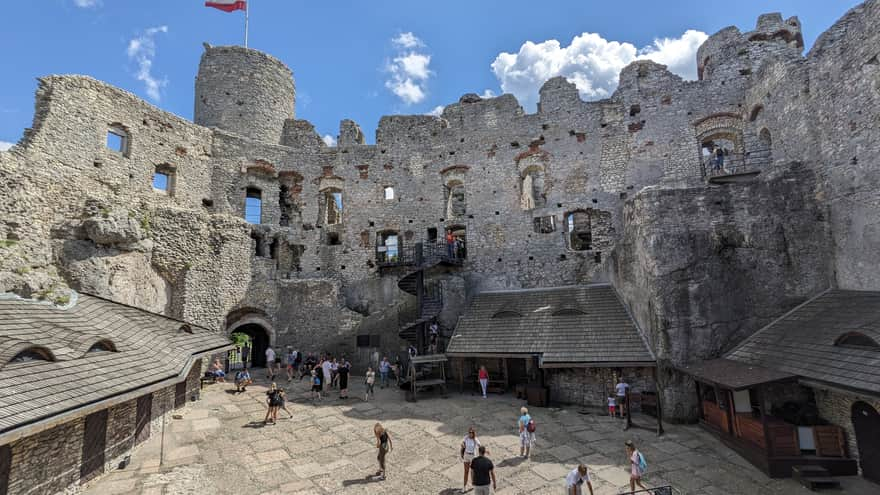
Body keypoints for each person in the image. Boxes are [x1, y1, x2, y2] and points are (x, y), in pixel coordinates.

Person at [460, 427, 482, 492]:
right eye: (469, 432)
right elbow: (462, 443)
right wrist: (462, 445)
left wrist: (484, 452)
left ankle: (474, 483)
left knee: (472, 472)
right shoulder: (466, 437)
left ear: (473, 433)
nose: (470, 434)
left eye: (472, 432)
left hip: (473, 456)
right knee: (466, 472)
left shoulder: (475, 439)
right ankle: (464, 486)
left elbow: (480, 446)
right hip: (466, 455)